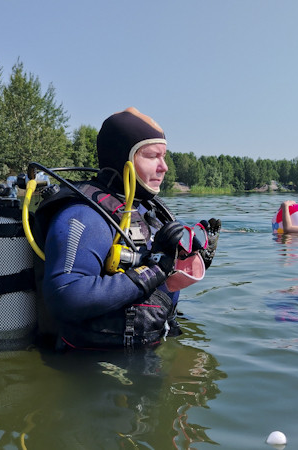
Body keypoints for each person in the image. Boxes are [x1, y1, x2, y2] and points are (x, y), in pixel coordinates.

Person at [34, 107, 221, 350]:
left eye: (164, 156)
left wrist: (186, 261)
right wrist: (156, 270)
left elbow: (151, 277)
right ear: (122, 157)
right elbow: (65, 296)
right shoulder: (83, 214)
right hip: (96, 368)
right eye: (152, 156)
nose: (164, 167)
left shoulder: (146, 210)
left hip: (146, 348)